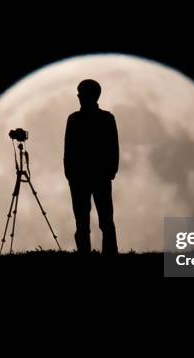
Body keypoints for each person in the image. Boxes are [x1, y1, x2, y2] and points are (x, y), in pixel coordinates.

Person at [64, 79, 119, 255]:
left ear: (91, 96)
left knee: (98, 220)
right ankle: (103, 253)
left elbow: (113, 147)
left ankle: (94, 254)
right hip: (89, 176)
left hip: (90, 176)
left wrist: (111, 171)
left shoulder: (77, 119)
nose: (79, 96)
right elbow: (69, 149)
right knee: (89, 220)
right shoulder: (104, 118)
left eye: (81, 93)